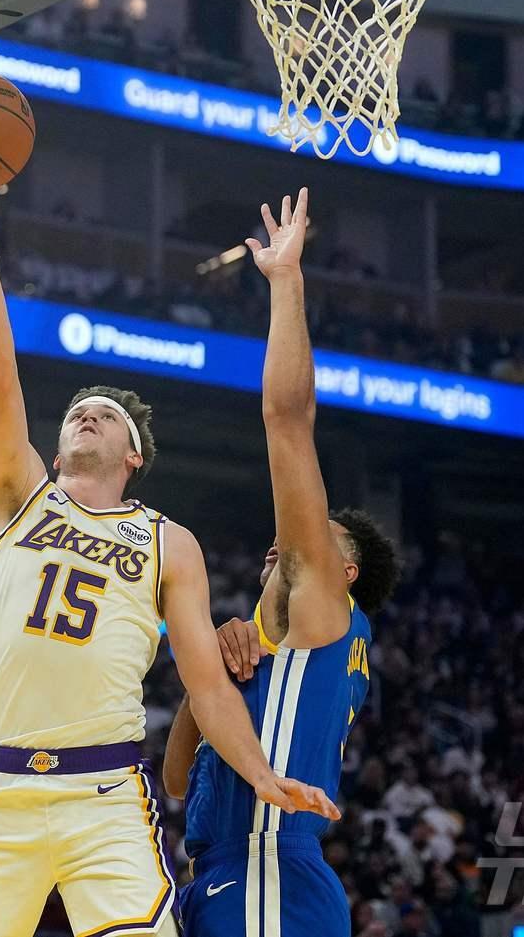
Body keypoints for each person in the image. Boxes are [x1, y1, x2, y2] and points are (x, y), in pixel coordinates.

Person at [0, 143, 337, 937]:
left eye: (105, 413)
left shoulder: (169, 542)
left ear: (132, 455)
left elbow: (207, 686)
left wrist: (261, 772)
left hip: (102, 792)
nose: (86, 414)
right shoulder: (18, 493)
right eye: (79, 409)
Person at [163, 188, 399, 937]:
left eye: (313, 537)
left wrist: (286, 283)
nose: (287, 540)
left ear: (343, 570)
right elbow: (174, 779)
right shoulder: (277, 657)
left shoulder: (327, 608)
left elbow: (287, 420)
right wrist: (206, 683)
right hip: (228, 874)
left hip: (266, 867)